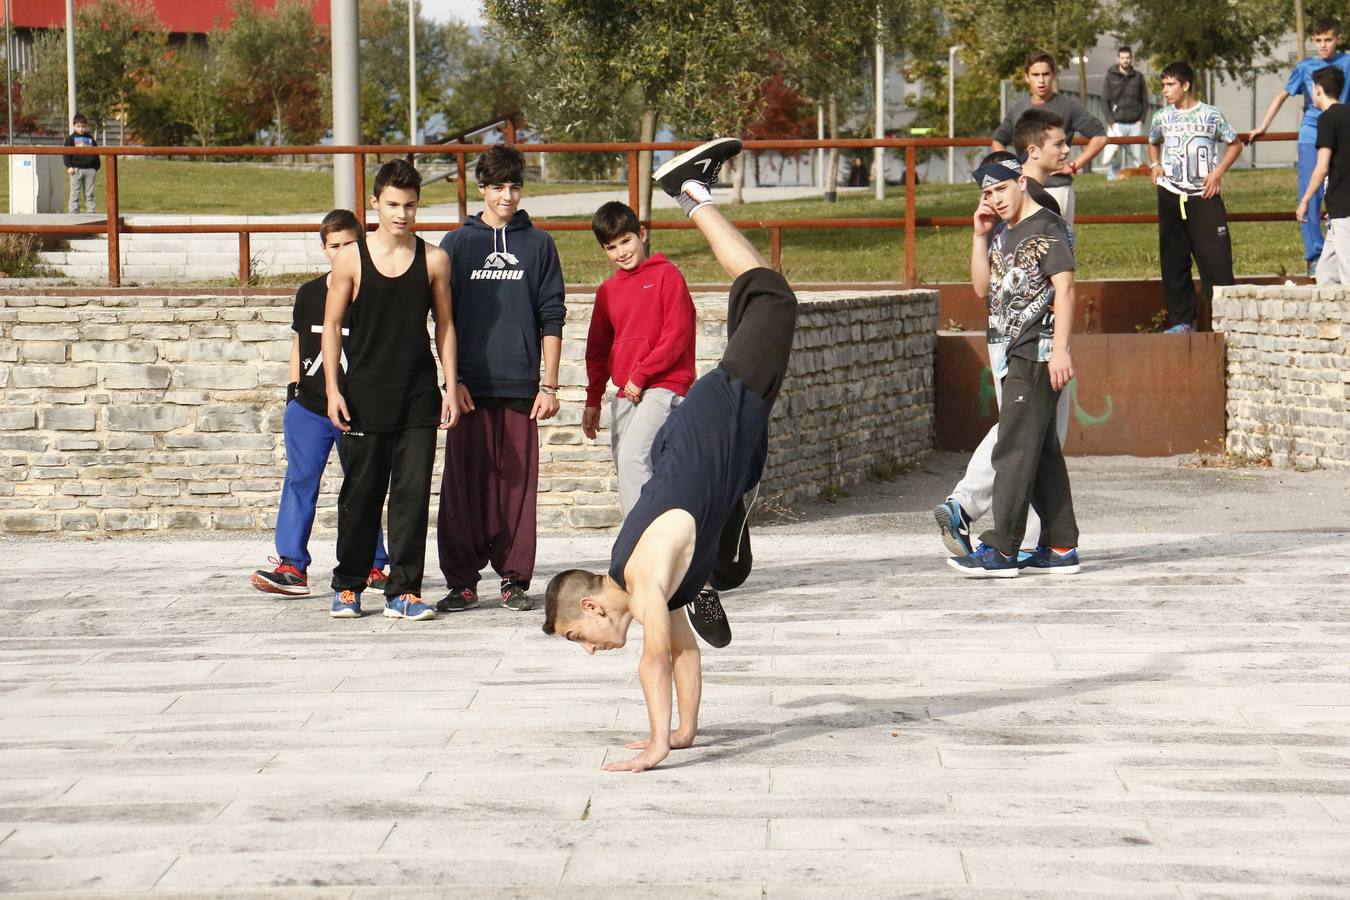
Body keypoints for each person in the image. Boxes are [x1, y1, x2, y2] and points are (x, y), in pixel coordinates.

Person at [542, 137, 795, 773]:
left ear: (593, 607)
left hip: (717, 417)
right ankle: (694, 192)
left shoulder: (642, 577)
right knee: (757, 294)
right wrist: (683, 732)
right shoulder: (647, 583)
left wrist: (655, 748)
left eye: (580, 637)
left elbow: (654, 657)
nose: (590, 649)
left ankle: (688, 192)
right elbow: (684, 652)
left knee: (771, 294)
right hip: (721, 438)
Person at [323, 159, 461, 621]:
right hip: (363, 395)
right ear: (375, 203)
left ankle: (403, 590)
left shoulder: (435, 258)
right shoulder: (350, 257)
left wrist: (449, 384)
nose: (403, 214)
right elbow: (331, 325)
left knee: (412, 496)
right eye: (394, 205)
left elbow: (445, 325)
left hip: (418, 396)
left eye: (411, 205)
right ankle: (348, 584)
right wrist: (332, 389)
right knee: (360, 495)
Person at [934, 116, 1076, 559]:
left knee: (1018, 443)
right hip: (1006, 344)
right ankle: (1059, 545)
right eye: (986, 194)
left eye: (999, 190)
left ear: (1019, 179)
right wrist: (979, 237)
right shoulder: (1002, 230)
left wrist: (1060, 351)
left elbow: (1066, 288)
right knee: (1040, 443)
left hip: (1037, 347)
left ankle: (1001, 544)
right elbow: (982, 288)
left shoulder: (1045, 222)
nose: (993, 199)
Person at [436, 144, 566, 614]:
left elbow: (552, 317)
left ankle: (514, 578)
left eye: (514, 187)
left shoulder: (539, 244)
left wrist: (549, 386)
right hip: (468, 387)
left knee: (516, 489)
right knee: (462, 489)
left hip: (520, 388)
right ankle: (462, 582)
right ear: (482, 189)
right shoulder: (457, 243)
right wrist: (451, 382)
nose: (506, 196)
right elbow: (442, 320)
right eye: (497, 187)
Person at [250, 209, 390, 598]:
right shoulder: (310, 293)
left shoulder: (376, 292)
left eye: (350, 243)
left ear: (362, 244)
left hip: (357, 408)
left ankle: (374, 566)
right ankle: (292, 566)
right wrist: (293, 391)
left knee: (362, 487)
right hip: (309, 407)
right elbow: (299, 342)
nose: (342, 250)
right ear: (324, 249)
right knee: (299, 482)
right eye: (334, 245)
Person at [583, 200, 698, 517]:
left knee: (634, 457)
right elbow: (597, 349)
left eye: (626, 241)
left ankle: (637, 546)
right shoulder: (607, 291)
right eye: (611, 247)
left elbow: (677, 334)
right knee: (628, 465)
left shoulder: (667, 276)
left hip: (664, 385)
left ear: (642, 234)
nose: (621, 252)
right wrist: (593, 398)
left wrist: (641, 374)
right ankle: (655, 545)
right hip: (626, 391)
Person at [1148, 61, 1243, 334]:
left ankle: (1225, 322)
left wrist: (1218, 173)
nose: (1165, 90)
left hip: (1204, 194)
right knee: (1174, 260)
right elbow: (1153, 143)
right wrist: (1155, 166)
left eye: (1170, 85)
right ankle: (1182, 321)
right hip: (1171, 194)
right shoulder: (1161, 117)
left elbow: (1235, 145)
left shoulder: (1212, 115)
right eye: (1163, 85)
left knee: (1216, 260)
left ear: (1186, 85)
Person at [1252, 18, 1350, 275]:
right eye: (1318, 40)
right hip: (1311, 134)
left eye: (1327, 40)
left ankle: (1338, 253)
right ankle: (1315, 256)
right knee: (1311, 192)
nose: (1323, 45)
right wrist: (1263, 126)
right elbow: (1282, 94)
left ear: (1337, 39)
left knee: (1342, 189)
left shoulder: (1347, 62)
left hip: (1342, 131)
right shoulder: (1305, 66)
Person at [991, 50, 1107, 225]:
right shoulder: (1017, 109)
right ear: (1026, 77)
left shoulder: (1069, 106)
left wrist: (1075, 165)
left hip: (1058, 189)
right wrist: (1010, 170)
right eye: (1035, 75)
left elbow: (1100, 136)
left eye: (1045, 74)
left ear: (1054, 75)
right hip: (1023, 190)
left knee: (1059, 246)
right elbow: (998, 140)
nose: (1041, 80)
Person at [1298, 66, 1350, 284]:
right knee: (1326, 274)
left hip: (1343, 208)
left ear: (1317, 89)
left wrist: (1305, 200)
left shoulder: (1326, 119)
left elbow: (1321, 167)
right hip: (1338, 212)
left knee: (1348, 276)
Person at [1101, 47, 1149, 179]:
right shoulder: (1110, 76)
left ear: (1131, 58)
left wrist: (1142, 120)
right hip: (1117, 122)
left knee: (1137, 154)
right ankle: (1112, 177)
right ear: (1118, 59)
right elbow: (1104, 101)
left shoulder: (1138, 77)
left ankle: (1137, 178)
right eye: (1122, 58)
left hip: (1135, 123)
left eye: (1127, 58)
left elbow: (1145, 100)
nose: (1125, 60)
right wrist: (1111, 122)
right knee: (1114, 152)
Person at [63, 114, 98, 214]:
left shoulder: (90, 139)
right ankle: (73, 212)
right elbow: (66, 153)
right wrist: (69, 166)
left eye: (83, 126)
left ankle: (91, 212)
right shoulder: (71, 139)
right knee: (75, 192)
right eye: (78, 126)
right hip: (76, 169)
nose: (81, 129)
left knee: (89, 193)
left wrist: (96, 167)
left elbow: (96, 153)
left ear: (86, 126)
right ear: (74, 126)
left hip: (90, 169)